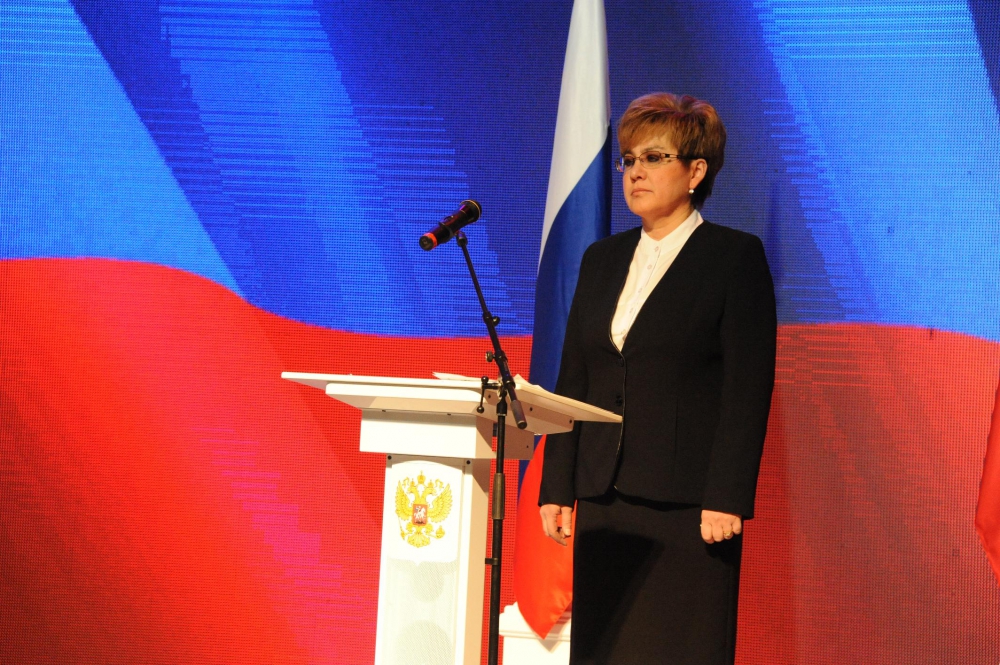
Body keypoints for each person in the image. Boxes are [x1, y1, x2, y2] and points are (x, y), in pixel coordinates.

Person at [538, 93, 777, 665]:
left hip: (689, 506)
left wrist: (726, 496)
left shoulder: (734, 258)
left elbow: (747, 390)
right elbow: (574, 376)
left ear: (696, 171)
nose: (635, 172)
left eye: (654, 157)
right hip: (603, 499)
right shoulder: (601, 259)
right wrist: (558, 484)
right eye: (628, 159)